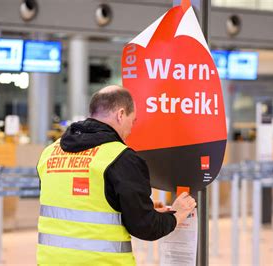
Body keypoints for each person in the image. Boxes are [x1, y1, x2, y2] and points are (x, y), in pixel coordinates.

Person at [36, 85, 196, 265]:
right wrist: (177, 215)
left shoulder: (50, 153)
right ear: (120, 114)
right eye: (133, 120)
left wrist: (140, 208)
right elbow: (145, 227)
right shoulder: (121, 158)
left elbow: (76, 204)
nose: (131, 128)